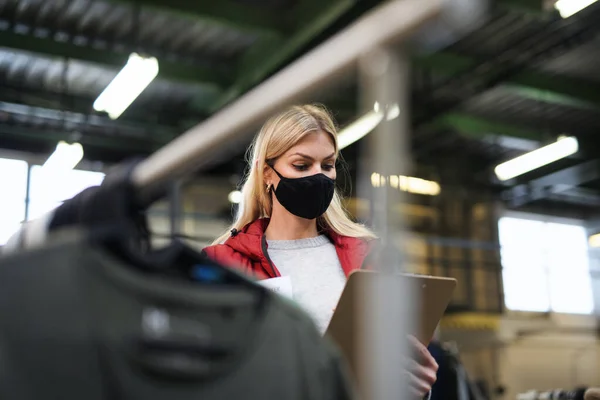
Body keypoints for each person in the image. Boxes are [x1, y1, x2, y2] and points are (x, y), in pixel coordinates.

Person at [203, 104, 438, 397]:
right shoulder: (221, 263)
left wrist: (413, 389)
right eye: (302, 166)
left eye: (327, 166)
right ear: (267, 173)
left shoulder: (370, 257)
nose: (319, 176)